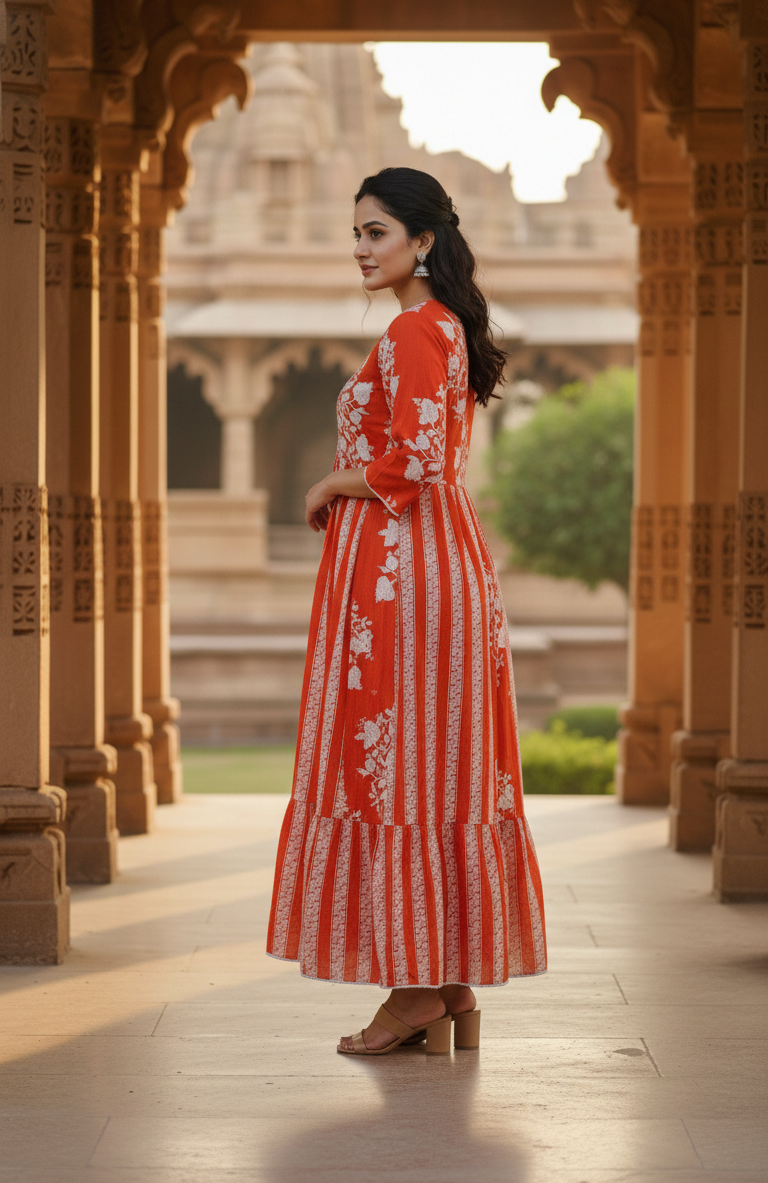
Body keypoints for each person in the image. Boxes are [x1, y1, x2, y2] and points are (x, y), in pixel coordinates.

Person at [266, 167, 546, 1056]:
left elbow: (418, 460)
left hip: (404, 573)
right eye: (356, 233)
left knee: (401, 765)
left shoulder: (415, 330)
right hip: (420, 564)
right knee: (426, 761)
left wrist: (330, 481)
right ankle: (445, 982)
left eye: (377, 232)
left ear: (422, 241)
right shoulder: (437, 327)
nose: (361, 248)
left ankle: (416, 989)